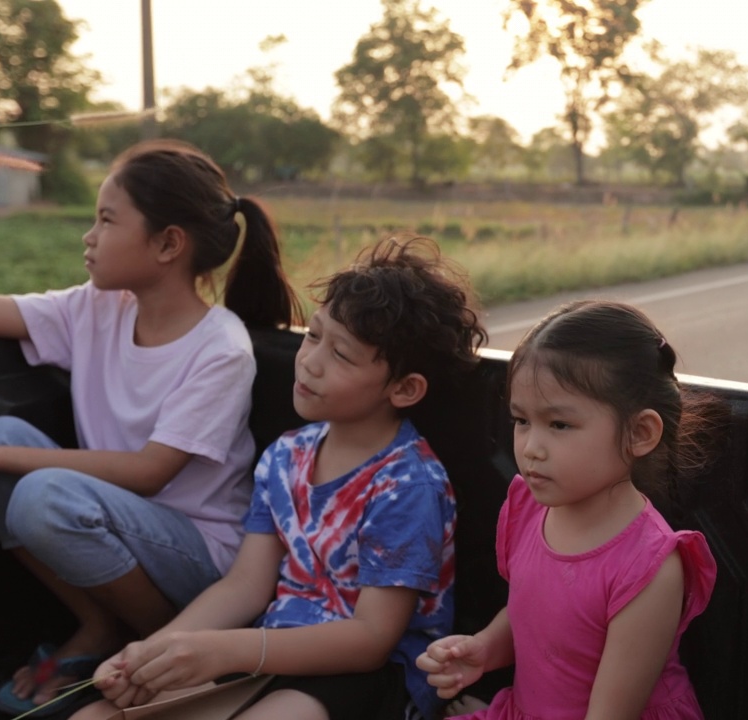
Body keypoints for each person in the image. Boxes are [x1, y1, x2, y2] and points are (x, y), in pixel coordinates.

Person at [0, 139, 300, 716]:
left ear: (167, 244)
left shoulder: (220, 348)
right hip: (108, 520)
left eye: (107, 220)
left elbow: (150, 472)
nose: (89, 236)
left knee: (31, 485)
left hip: (201, 558)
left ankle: (167, 642)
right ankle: (100, 625)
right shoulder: (94, 308)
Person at [72, 236, 487, 720]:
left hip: (373, 677)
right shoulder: (286, 455)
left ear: (404, 388)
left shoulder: (407, 486)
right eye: (313, 336)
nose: (310, 361)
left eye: (342, 355)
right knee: (94, 716)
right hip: (274, 652)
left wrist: (224, 651)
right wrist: (151, 652)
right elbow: (245, 587)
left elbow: (372, 639)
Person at [417, 300, 719, 720]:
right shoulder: (528, 506)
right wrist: (484, 648)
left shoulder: (649, 567)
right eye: (522, 421)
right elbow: (533, 612)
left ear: (640, 433)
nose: (530, 448)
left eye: (558, 425)